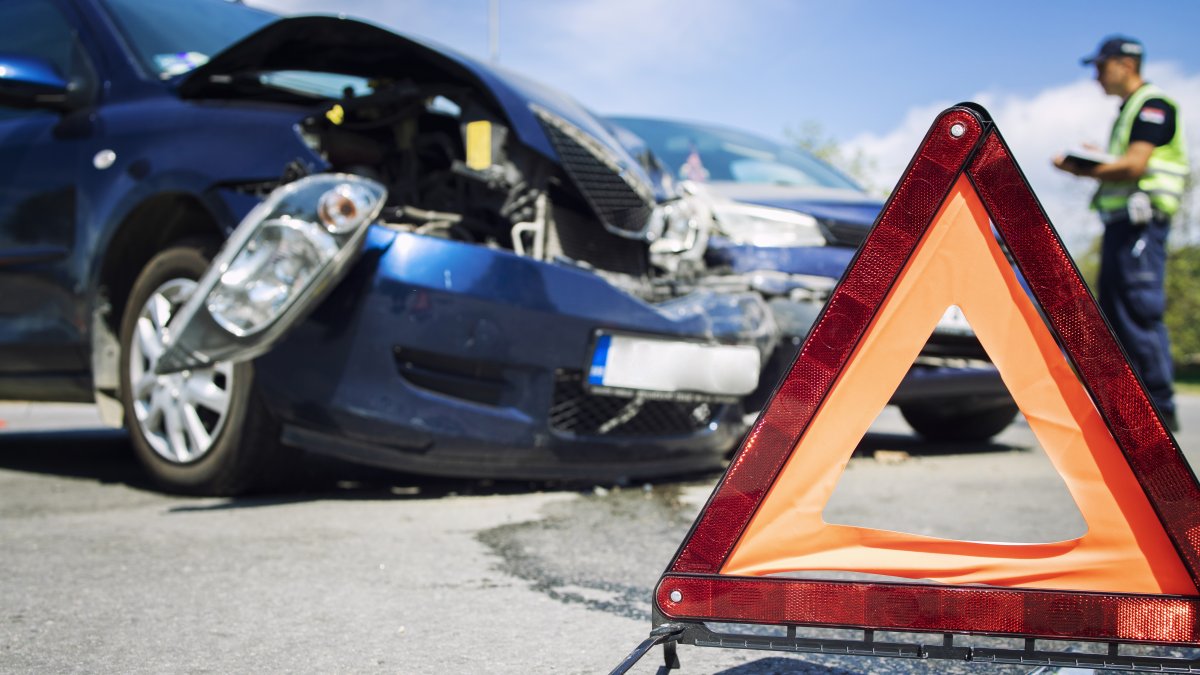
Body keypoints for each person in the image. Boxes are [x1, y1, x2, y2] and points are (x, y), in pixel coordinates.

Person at [1054, 35, 1190, 432]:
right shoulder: (1129, 110)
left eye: (1100, 67)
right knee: (1116, 313)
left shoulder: (1152, 105)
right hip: (1122, 227)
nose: (1096, 76)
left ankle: (1159, 413)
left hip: (1141, 226)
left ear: (1125, 64)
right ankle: (1131, 411)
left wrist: (1083, 168)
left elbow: (1134, 166)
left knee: (1138, 311)